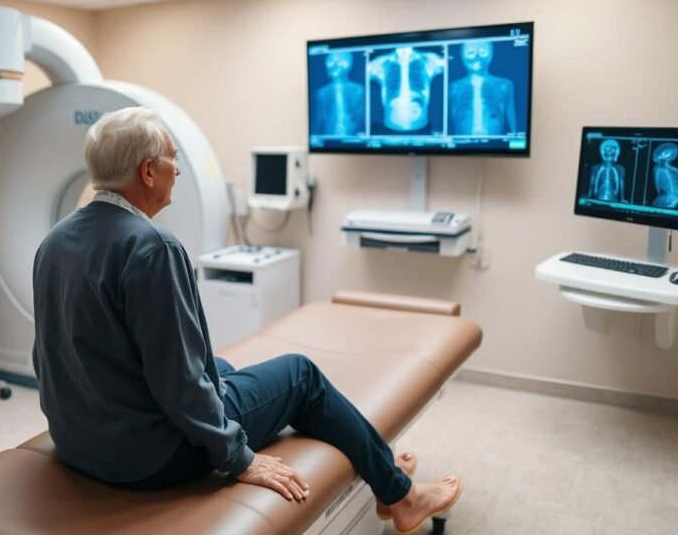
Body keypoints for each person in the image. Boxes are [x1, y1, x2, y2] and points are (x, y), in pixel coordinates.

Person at [32, 106, 461, 534]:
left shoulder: (55, 240)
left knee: (225, 369)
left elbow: (48, 357)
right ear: (148, 171)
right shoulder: (152, 247)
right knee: (300, 375)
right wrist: (239, 458)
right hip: (150, 459)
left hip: (81, 444)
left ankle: (371, 456)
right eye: (173, 159)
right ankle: (402, 495)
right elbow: (179, 383)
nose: (177, 171)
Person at [367, 47, 445, 133]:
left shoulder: (428, 60)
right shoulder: (381, 63)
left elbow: (442, 64)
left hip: (418, 131)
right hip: (393, 132)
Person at [449, 40, 516, 136]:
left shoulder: (504, 85)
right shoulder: (454, 87)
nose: (477, 58)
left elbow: (515, 131)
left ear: (491, 55)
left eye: (482, 53)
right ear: (463, 57)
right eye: (470, 53)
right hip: (463, 146)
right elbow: (451, 122)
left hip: (495, 146)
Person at [313, 52, 365, 136]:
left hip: (353, 141)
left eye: (338, 61)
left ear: (348, 64)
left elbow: (362, 121)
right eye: (330, 61)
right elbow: (318, 124)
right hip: (328, 143)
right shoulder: (321, 93)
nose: (332, 65)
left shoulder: (359, 90)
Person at [588, 139, 627, 203]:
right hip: (597, 197)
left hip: (613, 198)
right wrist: (589, 196)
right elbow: (591, 183)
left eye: (613, 148)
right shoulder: (595, 167)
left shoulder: (620, 168)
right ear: (602, 151)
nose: (610, 150)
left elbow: (621, 184)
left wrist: (622, 199)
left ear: (617, 151)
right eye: (607, 148)